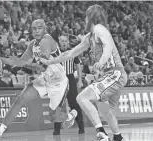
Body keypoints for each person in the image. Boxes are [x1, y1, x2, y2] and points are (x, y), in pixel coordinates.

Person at [41, 5, 127, 141]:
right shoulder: (89, 37)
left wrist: (103, 60)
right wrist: (50, 62)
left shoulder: (99, 28)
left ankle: (101, 133)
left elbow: (109, 46)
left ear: (92, 18)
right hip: (111, 76)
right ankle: (118, 138)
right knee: (104, 109)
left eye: (87, 17)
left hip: (115, 74)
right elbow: (70, 53)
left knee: (82, 98)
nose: (85, 19)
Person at [0, 19, 77, 141]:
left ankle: (70, 115)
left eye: (39, 28)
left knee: (53, 117)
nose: (36, 31)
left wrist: (23, 64)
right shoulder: (33, 44)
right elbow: (19, 61)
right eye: (34, 28)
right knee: (20, 100)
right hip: (45, 79)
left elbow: (42, 66)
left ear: (45, 29)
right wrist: (0, 59)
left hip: (58, 84)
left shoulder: (46, 41)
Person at [53, 35, 85, 135]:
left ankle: (81, 126)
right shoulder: (54, 53)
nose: (64, 43)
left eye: (65, 41)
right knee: (57, 104)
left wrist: (80, 79)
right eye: (62, 41)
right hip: (58, 79)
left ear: (68, 42)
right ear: (59, 42)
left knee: (74, 103)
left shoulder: (73, 52)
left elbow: (78, 66)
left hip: (69, 78)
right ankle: (57, 129)